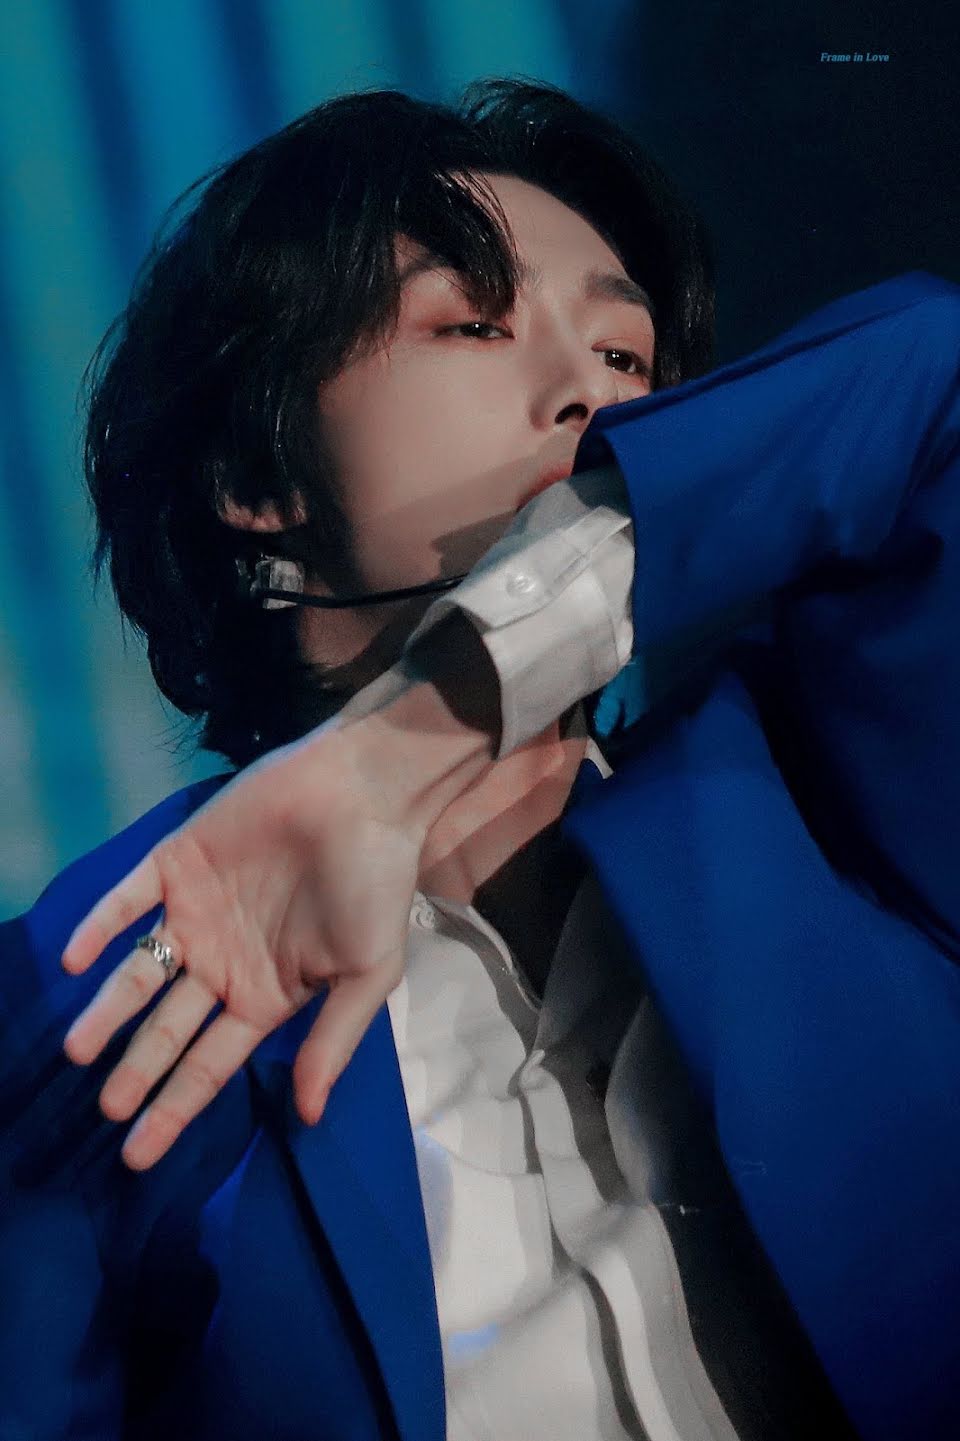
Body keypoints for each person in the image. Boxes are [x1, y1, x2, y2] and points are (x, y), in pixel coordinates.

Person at [1, 78, 958, 1441]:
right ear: (260, 476)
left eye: (629, 357)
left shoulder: (837, 799)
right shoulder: (83, 980)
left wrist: (412, 741)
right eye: (474, 325)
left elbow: (938, 373)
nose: (592, 397)